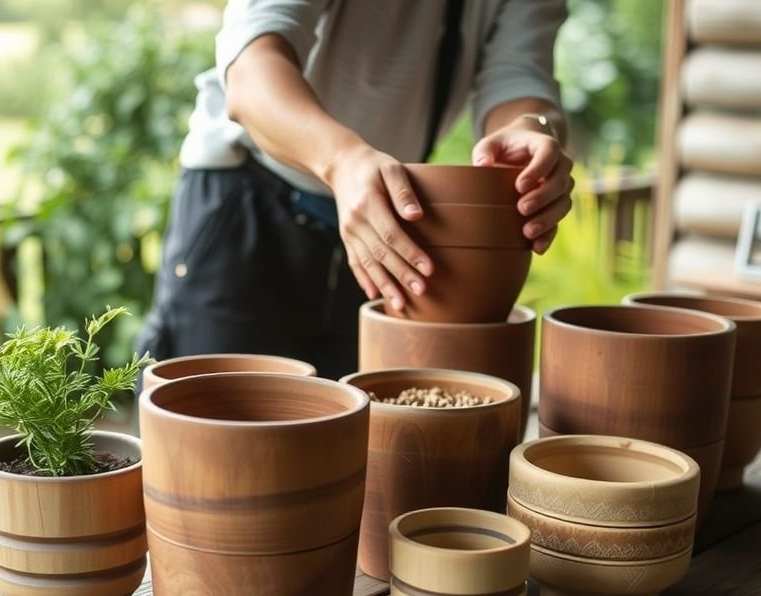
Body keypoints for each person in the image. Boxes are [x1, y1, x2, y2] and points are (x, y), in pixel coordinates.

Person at [136, 0, 574, 380]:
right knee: (212, 448)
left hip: (383, 222)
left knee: (349, 455)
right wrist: (343, 162)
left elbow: (519, 75)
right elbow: (251, 74)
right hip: (249, 201)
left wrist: (530, 129)